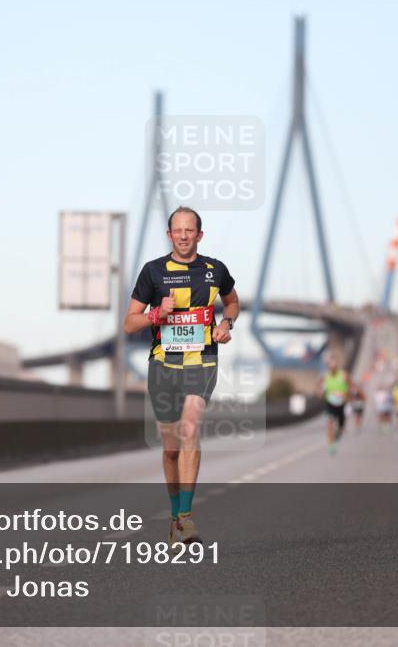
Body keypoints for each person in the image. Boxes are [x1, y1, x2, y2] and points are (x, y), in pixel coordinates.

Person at [123, 206, 239, 548]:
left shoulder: (215, 270)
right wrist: (157, 314)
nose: (184, 236)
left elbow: (233, 303)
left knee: (190, 428)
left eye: (190, 230)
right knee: (171, 448)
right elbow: (129, 323)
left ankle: (186, 518)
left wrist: (226, 323)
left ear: (200, 235)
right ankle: (175, 519)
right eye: (178, 230)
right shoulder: (153, 271)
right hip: (163, 365)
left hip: (202, 361)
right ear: (169, 234)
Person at [321, 358, 349, 455]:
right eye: (330, 366)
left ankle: (338, 433)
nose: (332, 368)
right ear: (328, 367)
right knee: (330, 424)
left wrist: (343, 394)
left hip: (341, 403)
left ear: (337, 366)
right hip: (330, 403)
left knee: (341, 427)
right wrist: (322, 392)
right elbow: (321, 389)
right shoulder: (325, 376)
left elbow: (349, 387)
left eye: (334, 366)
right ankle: (331, 446)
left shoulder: (343, 375)